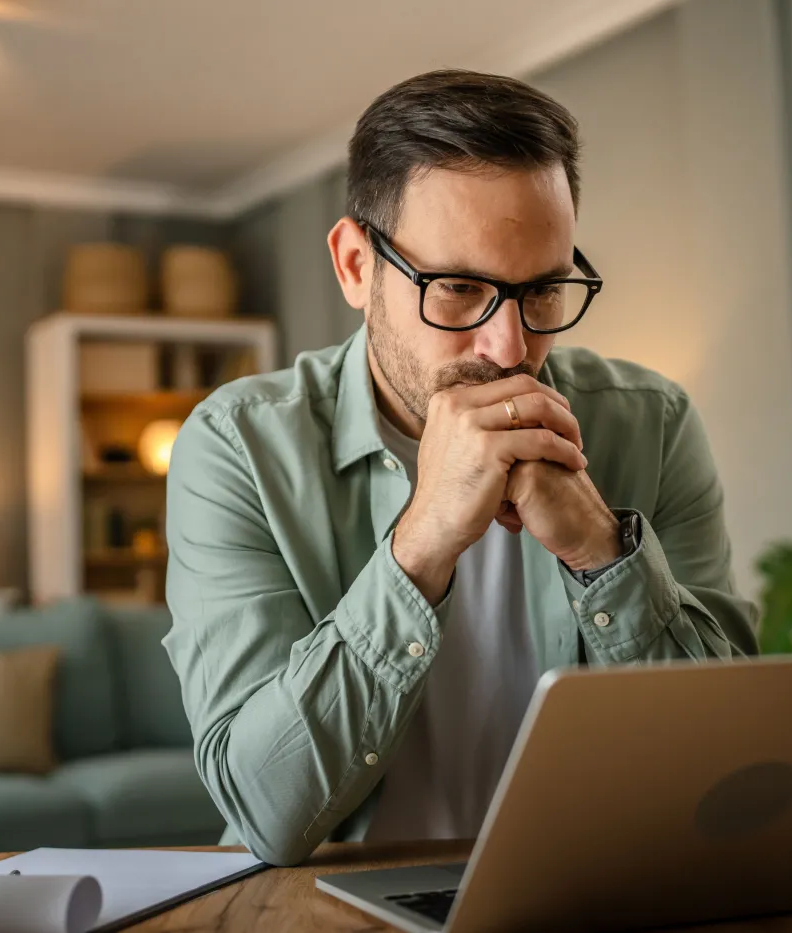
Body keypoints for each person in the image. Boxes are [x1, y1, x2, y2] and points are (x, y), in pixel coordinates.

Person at [162, 70, 758, 867]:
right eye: (459, 287)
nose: (510, 348)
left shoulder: (651, 423)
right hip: (330, 907)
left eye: (542, 289)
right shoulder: (236, 447)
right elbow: (267, 812)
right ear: (353, 265)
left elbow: (729, 771)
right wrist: (422, 544)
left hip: (590, 890)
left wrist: (601, 552)